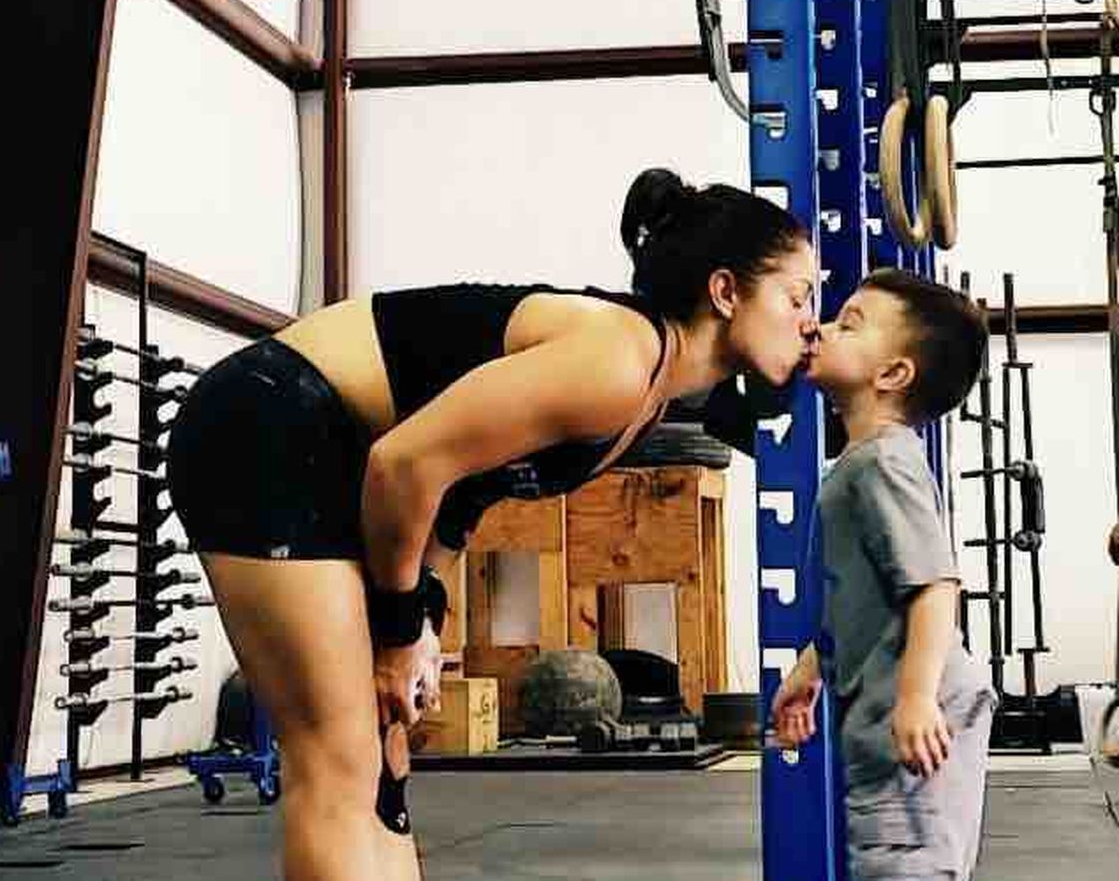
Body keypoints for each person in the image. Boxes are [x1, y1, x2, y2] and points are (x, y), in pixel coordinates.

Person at [166, 167, 819, 881]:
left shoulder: (653, 394)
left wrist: (423, 619)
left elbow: (465, 493)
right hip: (269, 423)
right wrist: (397, 631)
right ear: (725, 292)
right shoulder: (616, 362)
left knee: (385, 760)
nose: (810, 322)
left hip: (337, 457)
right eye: (797, 297)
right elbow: (404, 467)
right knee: (338, 758)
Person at [771, 269, 998, 881]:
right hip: (884, 721)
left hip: (917, 718)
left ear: (893, 374)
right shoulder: (861, 463)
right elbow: (859, 595)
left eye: (848, 325)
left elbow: (935, 586)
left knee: (905, 864)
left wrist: (917, 696)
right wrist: (811, 669)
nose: (819, 329)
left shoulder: (883, 462)